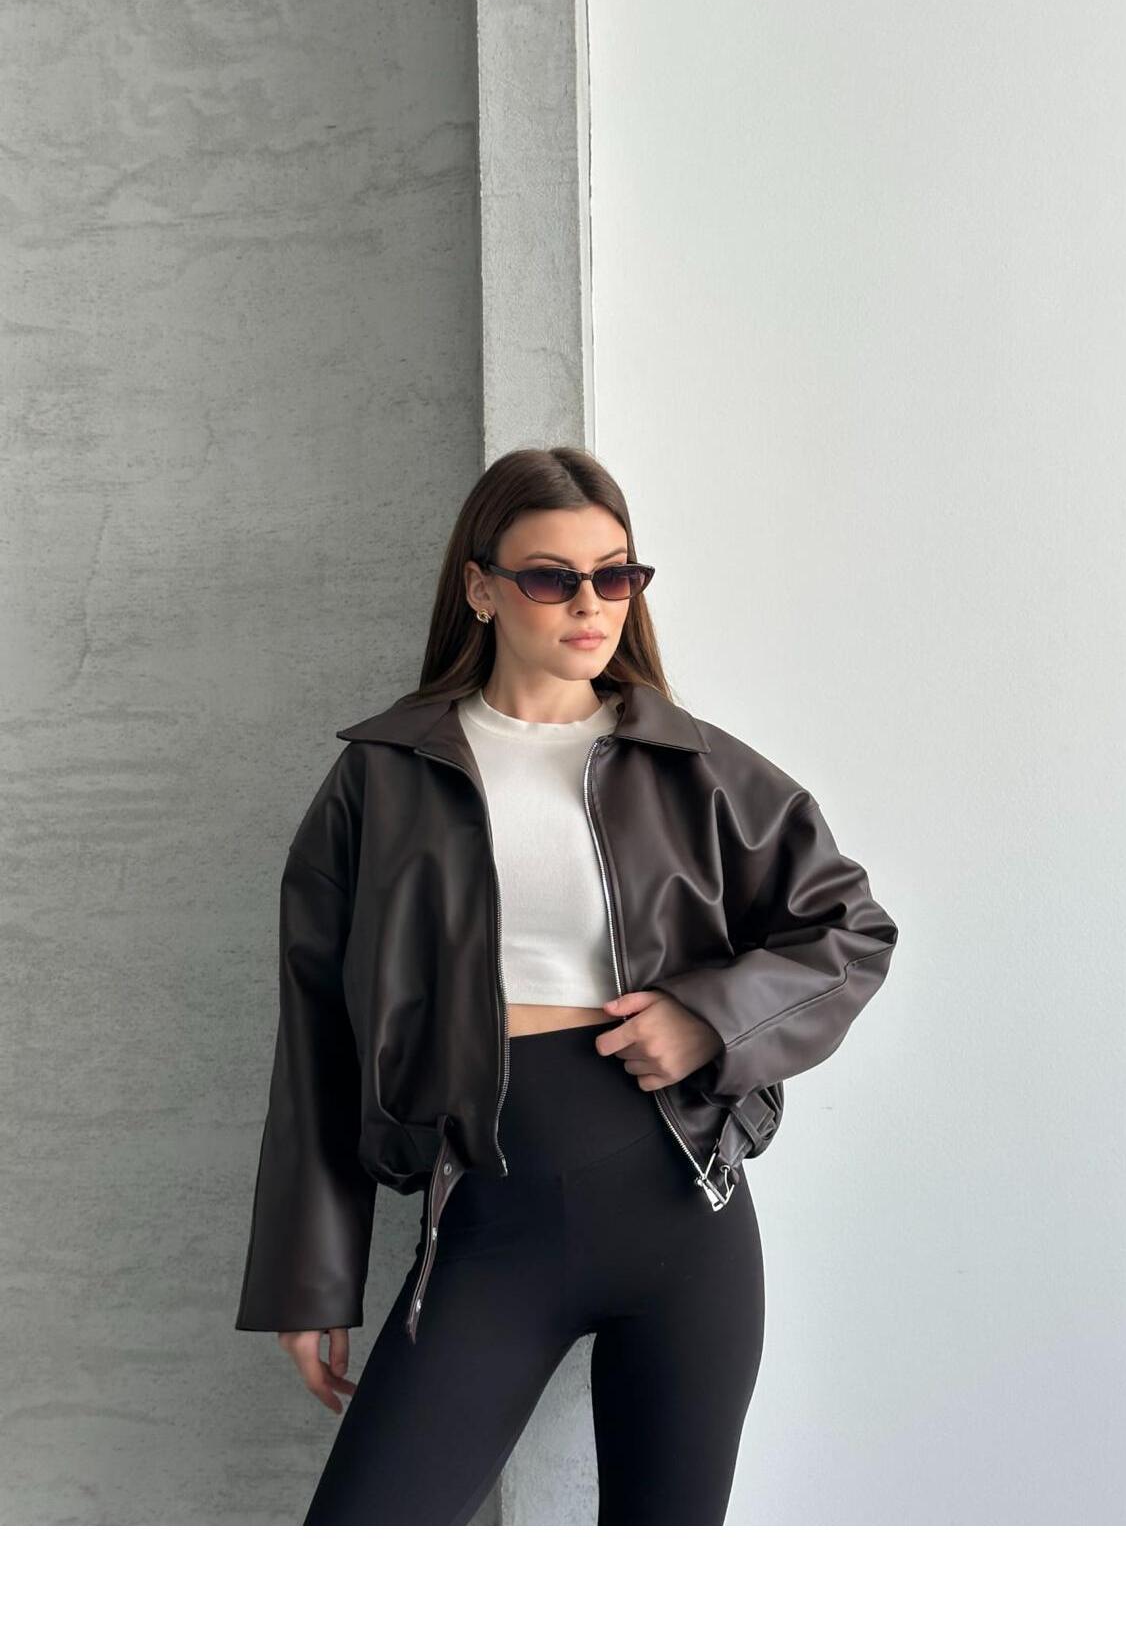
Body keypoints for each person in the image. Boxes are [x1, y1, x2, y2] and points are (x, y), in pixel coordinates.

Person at [234, 444, 899, 1525]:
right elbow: (315, 1038)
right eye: (553, 577)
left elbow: (852, 932)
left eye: (616, 574)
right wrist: (313, 1280)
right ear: (481, 587)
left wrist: (709, 1020)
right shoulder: (384, 777)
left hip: (683, 1218)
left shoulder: (696, 767)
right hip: (487, 1226)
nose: (593, 605)